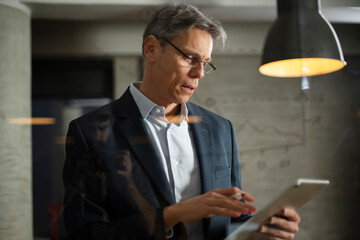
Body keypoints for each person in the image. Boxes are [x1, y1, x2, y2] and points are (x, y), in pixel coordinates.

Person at [63, 3, 301, 240]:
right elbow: (84, 233)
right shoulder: (89, 133)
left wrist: (262, 230)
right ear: (152, 48)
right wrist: (172, 215)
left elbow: (230, 220)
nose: (199, 73)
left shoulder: (220, 129)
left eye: (205, 63)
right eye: (190, 58)